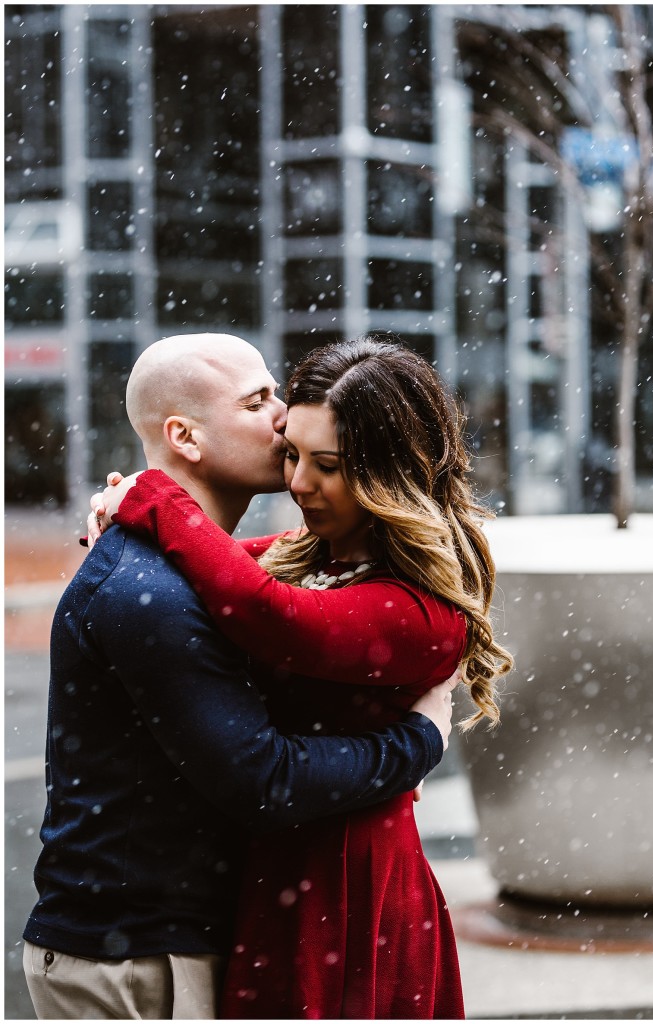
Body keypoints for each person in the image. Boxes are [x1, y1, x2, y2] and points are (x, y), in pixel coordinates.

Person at [22, 333, 458, 1021]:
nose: (281, 417)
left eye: (330, 463)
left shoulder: (200, 575)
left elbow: (266, 600)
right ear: (184, 437)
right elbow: (266, 778)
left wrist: (155, 497)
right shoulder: (160, 588)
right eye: (259, 401)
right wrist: (416, 744)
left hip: (270, 909)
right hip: (138, 956)